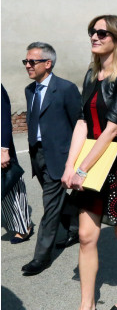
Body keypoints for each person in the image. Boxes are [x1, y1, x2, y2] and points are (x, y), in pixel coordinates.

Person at [59, 15, 117, 310]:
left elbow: (110, 130)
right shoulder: (91, 74)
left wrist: (81, 168)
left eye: (102, 33)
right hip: (90, 164)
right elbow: (82, 121)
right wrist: (71, 166)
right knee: (85, 236)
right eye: (92, 32)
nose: (94, 37)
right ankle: (87, 307)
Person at [22, 42, 81, 276]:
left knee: (50, 208)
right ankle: (75, 225)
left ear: (48, 63)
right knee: (57, 200)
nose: (27, 65)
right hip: (38, 155)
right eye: (25, 61)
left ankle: (41, 257)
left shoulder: (65, 89)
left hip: (60, 156)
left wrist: (74, 160)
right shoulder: (30, 90)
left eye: (32, 61)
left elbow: (78, 123)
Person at [2, 84, 33, 244]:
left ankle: (24, 226)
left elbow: (4, 119)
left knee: (11, 185)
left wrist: (4, 148)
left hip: (2, 148)